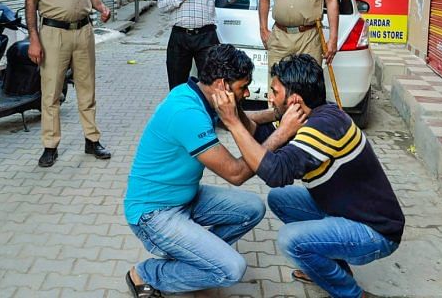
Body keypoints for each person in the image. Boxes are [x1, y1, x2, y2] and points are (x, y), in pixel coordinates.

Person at [212, 54, 405, 298]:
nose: (269, 97)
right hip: (346, 211)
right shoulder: (316, 113)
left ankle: (352, 294)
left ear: (294, 100)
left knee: (290, 240)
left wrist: (236, 123)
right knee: (280, 199)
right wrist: (235, 109)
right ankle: (329, 267)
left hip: (375, 231)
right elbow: (262, 138)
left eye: (274, 92)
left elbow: (274, 172)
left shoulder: (323, 128)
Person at [123, 44, 305, 297]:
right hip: (154, 215)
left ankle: (201, 257)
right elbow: (237, 174)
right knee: (231, 269)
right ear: (221, 85)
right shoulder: (187, 112)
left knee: (252, 208)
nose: (248, 92)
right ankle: (147, 273)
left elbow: (248, 123)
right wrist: (283, 133)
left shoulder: (198, 94)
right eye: (243, 87)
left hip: (185, 199)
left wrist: (278, 113)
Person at [25, 0, 112, 167]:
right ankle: (50, 146)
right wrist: (34, 38)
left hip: (83, 32)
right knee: (50, 92)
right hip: (52, 34)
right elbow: (31, 1)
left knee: (87, 89)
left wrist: (102, 8)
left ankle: (91, 140)